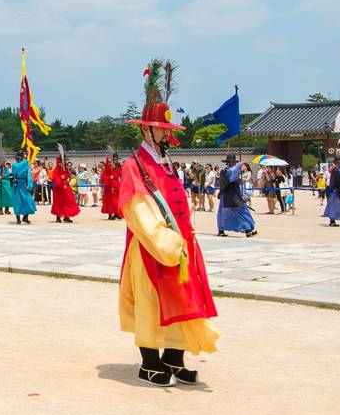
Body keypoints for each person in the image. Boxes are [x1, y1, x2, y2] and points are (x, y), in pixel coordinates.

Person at [115, 64, 219, 388]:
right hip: (152, 244)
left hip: (182, 242)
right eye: (160, 129)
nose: (165, 133)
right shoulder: (135, 165)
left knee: (184, 297)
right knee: (151, 300)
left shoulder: (167, 160)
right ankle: (149, 363)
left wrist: (184, 241)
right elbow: (138, 208)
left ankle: (174, 359)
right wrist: (163, 241)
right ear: (146, 130)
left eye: (166, 128)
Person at [215, 154, 257, 238]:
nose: (233, 163)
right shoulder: (228, 171)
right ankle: (247, 230)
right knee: (240, 211)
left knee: (236, 212)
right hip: (231, 195)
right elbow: (231, 179)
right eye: (232, 162)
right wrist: (239, 166)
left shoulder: (232, 171)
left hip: (228, 195)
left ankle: (247, 230)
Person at [49, 158, 80, 223]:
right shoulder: (56, 169)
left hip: (65, 187)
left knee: (68, 201)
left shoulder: (65, 168)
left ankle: (66, 216)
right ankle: (58, 217)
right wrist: (61, 178)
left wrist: (64, 176)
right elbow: (54, 177)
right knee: (58, 202)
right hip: (58, 189)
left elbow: (67, 174)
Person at [10, 154, 37, 225]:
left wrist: (30, 185)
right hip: (17, 185)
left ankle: (25, 217)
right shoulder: (14, 165)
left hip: (24, 185)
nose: (17, 159)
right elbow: (16, 169)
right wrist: (26, 161)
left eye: (19, 158)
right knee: (17, 201)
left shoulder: (26, 166)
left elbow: (29, 176)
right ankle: (18, 218)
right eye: (17, 158)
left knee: (28, 201)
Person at [100, 156, 122, 220]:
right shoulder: (106, 170)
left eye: (116, 160)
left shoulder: (117, 169)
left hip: (116, 186)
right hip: (109, 187)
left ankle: (116, 213)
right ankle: (110, 214)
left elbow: (121, 175)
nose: (115, 162)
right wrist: (110, 177)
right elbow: (103, 178)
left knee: (117, 200)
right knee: (110, 201)